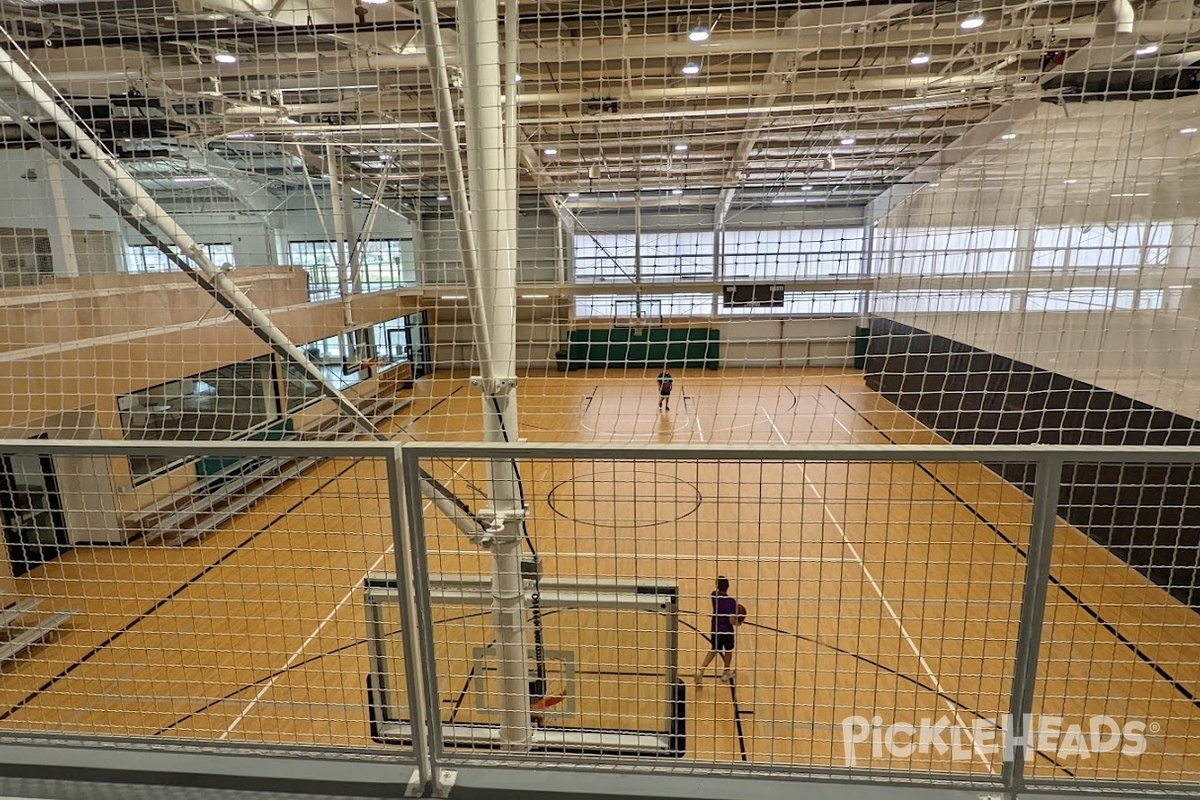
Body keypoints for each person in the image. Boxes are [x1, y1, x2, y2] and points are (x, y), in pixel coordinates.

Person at [696, 576, 743, 685]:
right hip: (726, 630)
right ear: (728, 587)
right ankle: (726, 672)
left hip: (715, 628)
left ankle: (701, 670)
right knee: (728, 650)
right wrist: (739, 623)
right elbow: (731, 620)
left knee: (714, 649)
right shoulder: (732, 602)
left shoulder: (714, 596)